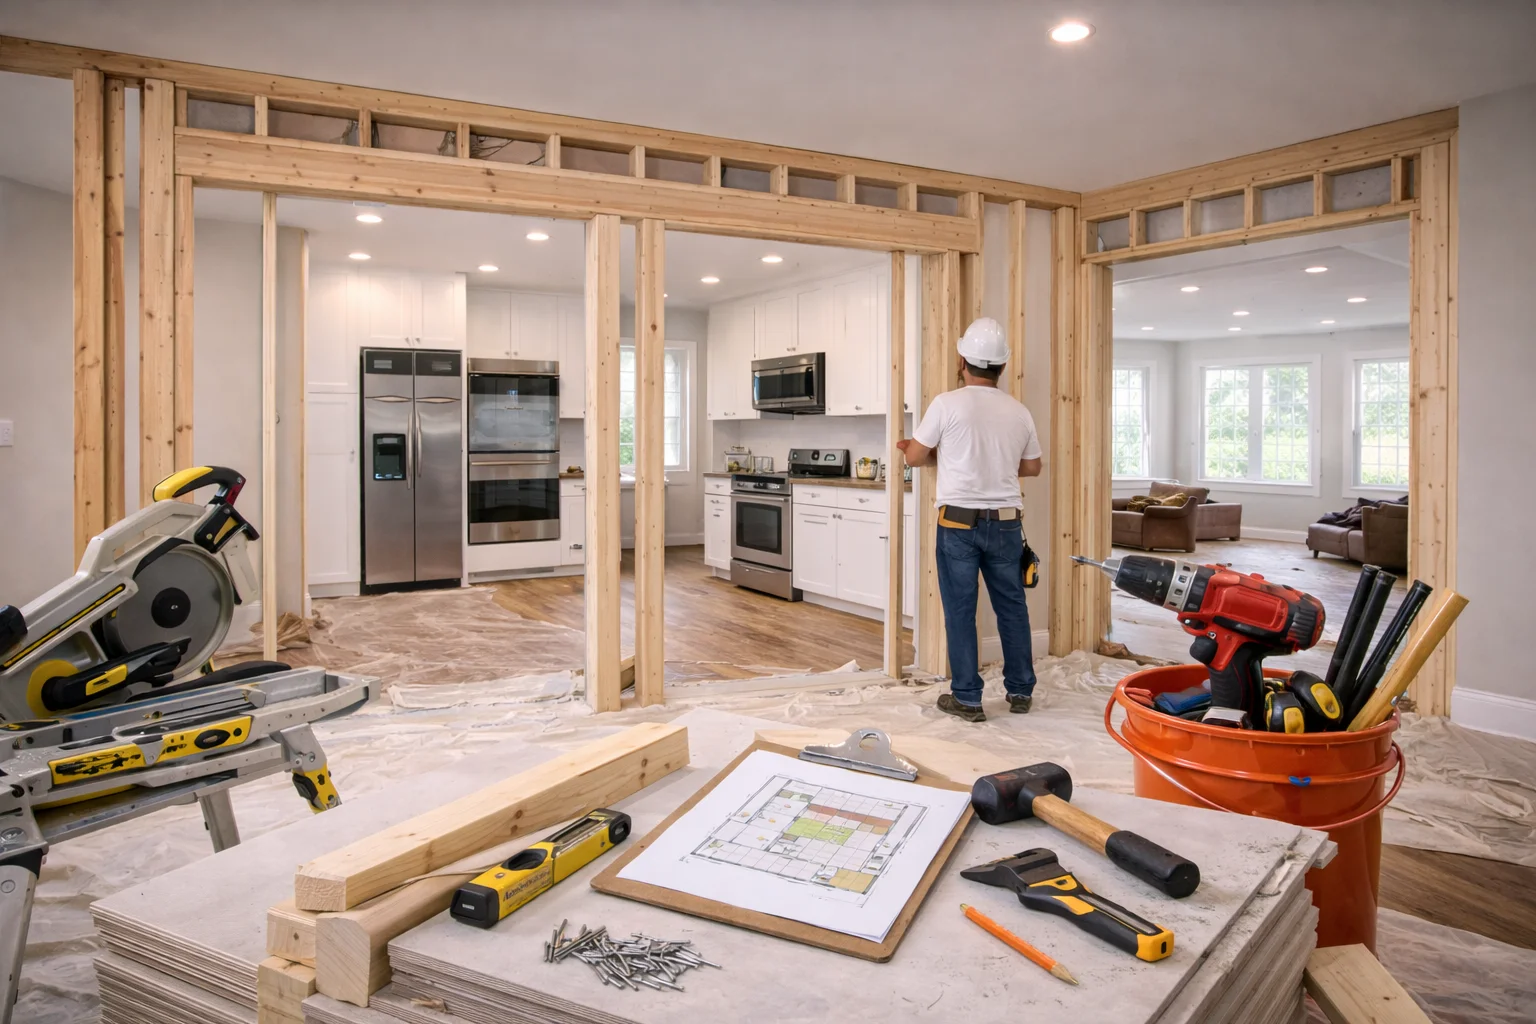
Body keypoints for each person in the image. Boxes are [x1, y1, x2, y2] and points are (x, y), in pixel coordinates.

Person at [896, 316, 1043, 722]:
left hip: (959, 524)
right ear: (1003, 366)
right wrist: (992, 462)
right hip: (1007, 522)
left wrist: (921, 449)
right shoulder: (1019, 411)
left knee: (961, 609)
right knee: (1012, 608)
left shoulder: (946, 403)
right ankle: (1020, 691)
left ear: (962, 360)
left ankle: (968, 698)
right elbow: (1032, 468)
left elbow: (913, 457)